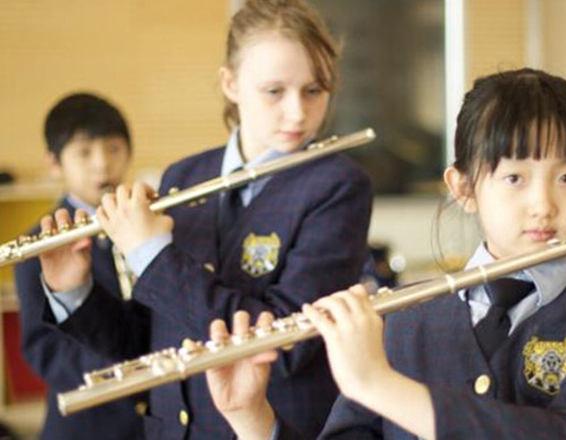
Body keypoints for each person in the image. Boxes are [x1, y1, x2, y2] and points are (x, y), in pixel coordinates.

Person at [205, 68, 566, 440]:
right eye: (514, 178)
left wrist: (379, 384)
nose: (543, 205)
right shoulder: (401, 317)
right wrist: (252, 420)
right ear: (462, 188)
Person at [36, 0, 373, 439]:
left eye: (314, 90)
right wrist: (75, 291)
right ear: (230, 83)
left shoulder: (339, 186)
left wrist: (150, 253)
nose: (297, 112)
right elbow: (150, 339)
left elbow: (284, 344)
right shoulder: (185, 175)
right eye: (274, 91)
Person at [14, 92, 146, 440]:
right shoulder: (36, 247)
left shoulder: (151, 226)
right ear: (54, 163)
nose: (102, 164)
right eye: (84, 152)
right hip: (88, 425)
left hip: (158, 422)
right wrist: (130, 370)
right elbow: (44, 349)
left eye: (114, 148)